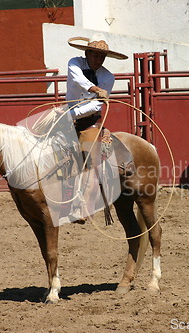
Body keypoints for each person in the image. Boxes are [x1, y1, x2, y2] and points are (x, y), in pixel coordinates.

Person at [62, 36, 128, 224]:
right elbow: (78, 79)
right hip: (66, 115)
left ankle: (84, 208)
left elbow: (96, 107)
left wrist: (70, 116)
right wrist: (95, 89)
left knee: (90, 161)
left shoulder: (108, 77)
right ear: (87, 53)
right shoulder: (74, 63)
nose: (99, 60)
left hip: (87, 121)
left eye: (102, 56)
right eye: (96, 55)